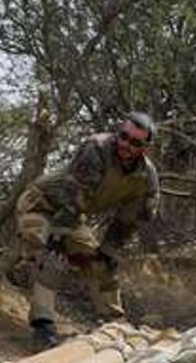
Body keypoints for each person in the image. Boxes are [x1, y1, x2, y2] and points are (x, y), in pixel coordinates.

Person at [10, 111, 160, 349]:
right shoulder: (97, 148)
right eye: (123, 136)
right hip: (41, 205)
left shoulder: (146, 177)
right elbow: (73, 194)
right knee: (49, 257)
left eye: (135, 143)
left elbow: (130, 220)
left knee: (101, 264)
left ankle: (115, 326)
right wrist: (57, 236)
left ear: (145, 147)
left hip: (72, 215)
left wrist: (109, 249)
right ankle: (43, 328)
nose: (126, 145)